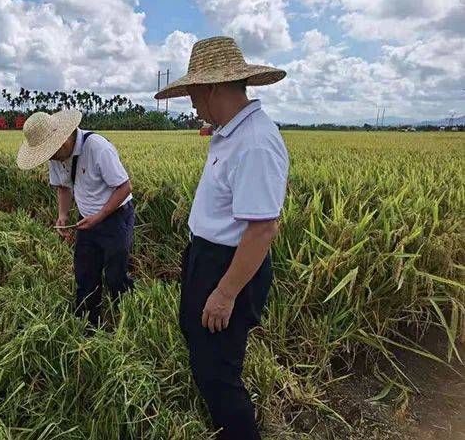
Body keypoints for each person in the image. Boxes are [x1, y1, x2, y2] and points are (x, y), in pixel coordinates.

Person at [154, 36, 289, 440]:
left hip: (229, 267)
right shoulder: (230, 133)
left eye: (194, 94)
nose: (193, 105)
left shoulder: (255, 143)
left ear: (212, 88)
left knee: (219, 372)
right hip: (209, 258)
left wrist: (225, 292)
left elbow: (262, 228)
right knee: (203, 350)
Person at [16, 110, 135, 327]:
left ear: (62, 141)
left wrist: (99, 216)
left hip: (115, 218)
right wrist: (62, 215)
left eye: (50, 153)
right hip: (87, 220)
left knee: (115, 275)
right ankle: (87, 325)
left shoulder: (98, 148)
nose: (49, 158)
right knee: (85, 273)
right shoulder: (56, 156)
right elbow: (63, 186)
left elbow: (124, 187)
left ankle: (127, 320)